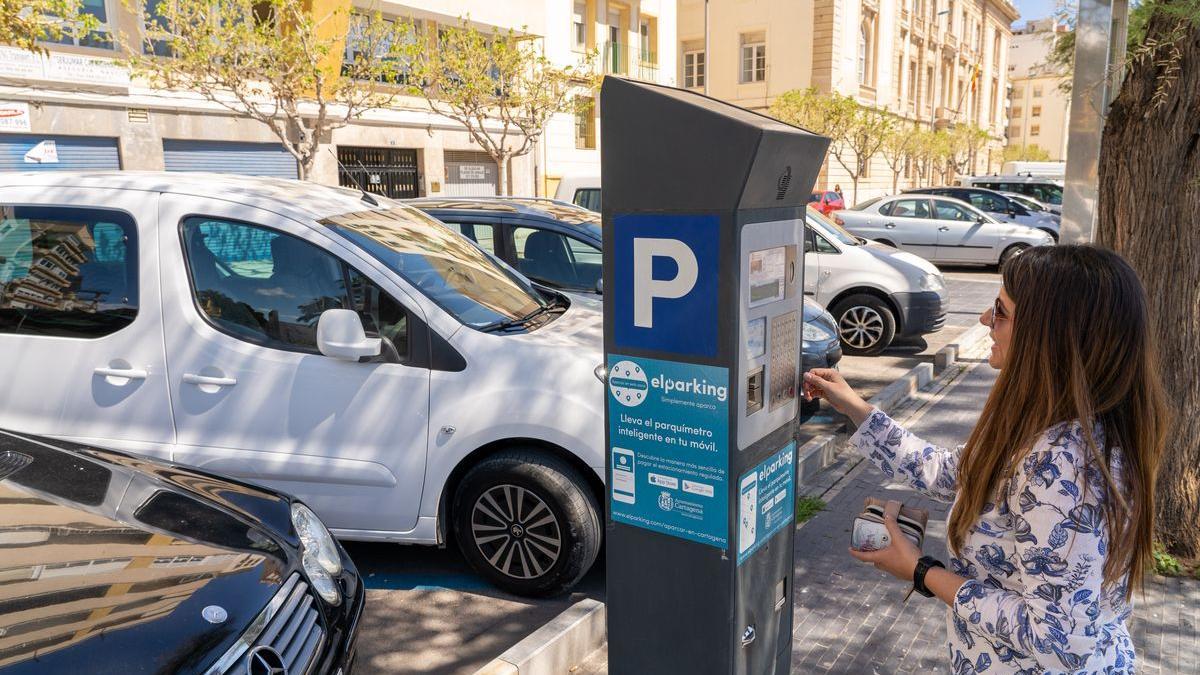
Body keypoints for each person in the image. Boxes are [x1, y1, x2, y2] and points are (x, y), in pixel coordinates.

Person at [801, 245, 1169, 673]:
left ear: (1048, 336)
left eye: (1001, 312)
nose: (983, 320)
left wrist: (921, 571)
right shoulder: (1047, 424)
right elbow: (951, 473)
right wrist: (855, 407)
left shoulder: (1062, 464)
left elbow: (1059, 641)